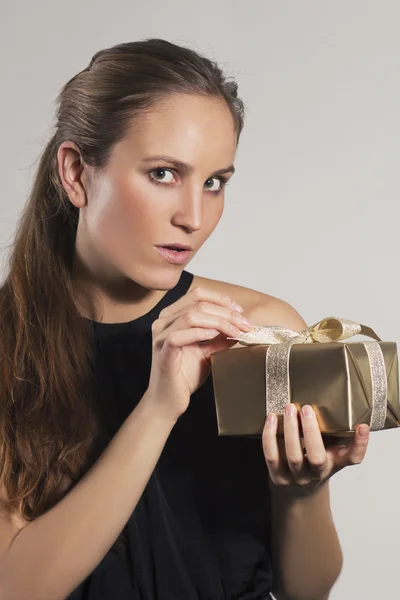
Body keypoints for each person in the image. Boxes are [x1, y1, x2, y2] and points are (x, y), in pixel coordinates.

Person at [0, 39, 370, 600]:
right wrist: (159, 407)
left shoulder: (259, 329)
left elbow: (305, 591)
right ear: (75, 172)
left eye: (214, 181)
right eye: (164, 173)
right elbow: (17, 587)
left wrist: (303, 491)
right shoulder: (9, 344)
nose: (193, 218)